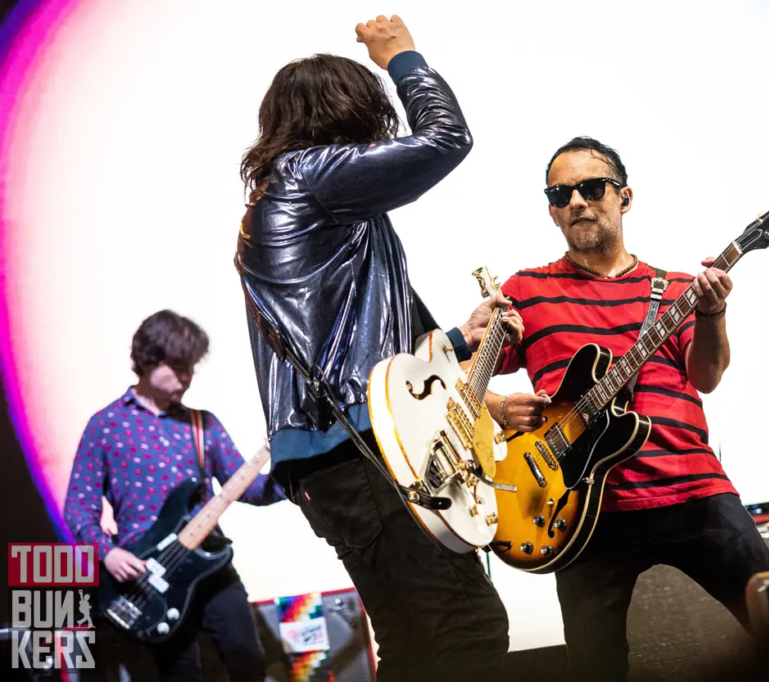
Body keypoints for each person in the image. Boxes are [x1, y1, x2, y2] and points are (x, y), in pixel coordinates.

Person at [235, 15, 518, 682]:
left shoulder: (298, 197)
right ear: (345, 108)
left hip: (335, 461)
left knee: (416, 645)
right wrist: (404, 57)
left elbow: (355, 336)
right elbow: (447, 139)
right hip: (362, 454)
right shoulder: (311, 174)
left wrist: (456, 338)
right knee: (468, 630)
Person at [485, 136, 769, 681]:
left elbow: (706, 377)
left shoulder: (679, 289)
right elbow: (461, 382)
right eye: (560, 193)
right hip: (583, 514)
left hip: (693, 491)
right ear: (551, 210)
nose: (576, 201)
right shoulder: (525, 290)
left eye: (591, 188)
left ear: (625, 197)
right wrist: (500, 406)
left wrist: (713, 315)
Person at [64, 309, 284, 682]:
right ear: (148, 359)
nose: (186, 377)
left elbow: (247, 488)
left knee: (247, 657)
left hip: (209, 565)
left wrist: (293, 477)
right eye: (178, 365)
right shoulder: (106, 426)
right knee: (182, 674)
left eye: (191, 367)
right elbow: (78, 509)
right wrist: (109, 553)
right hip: (147, 577)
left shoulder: (202, 425)